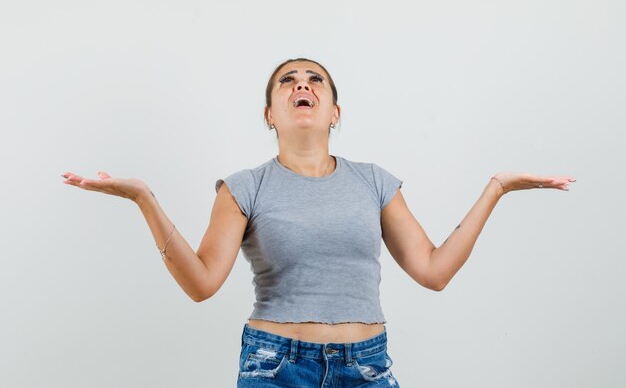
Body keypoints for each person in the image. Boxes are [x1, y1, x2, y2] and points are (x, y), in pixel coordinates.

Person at [61, 57, 576, 387]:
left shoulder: (374, 181)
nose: (300, 85)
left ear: (334, 111)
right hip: (275, 366)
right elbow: (201, 284)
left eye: (314, 81)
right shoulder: (244, 186)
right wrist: (143, 199)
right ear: (270, 113)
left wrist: (497, 189)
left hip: (367, 365)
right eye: (288, 81)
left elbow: (433, 271)